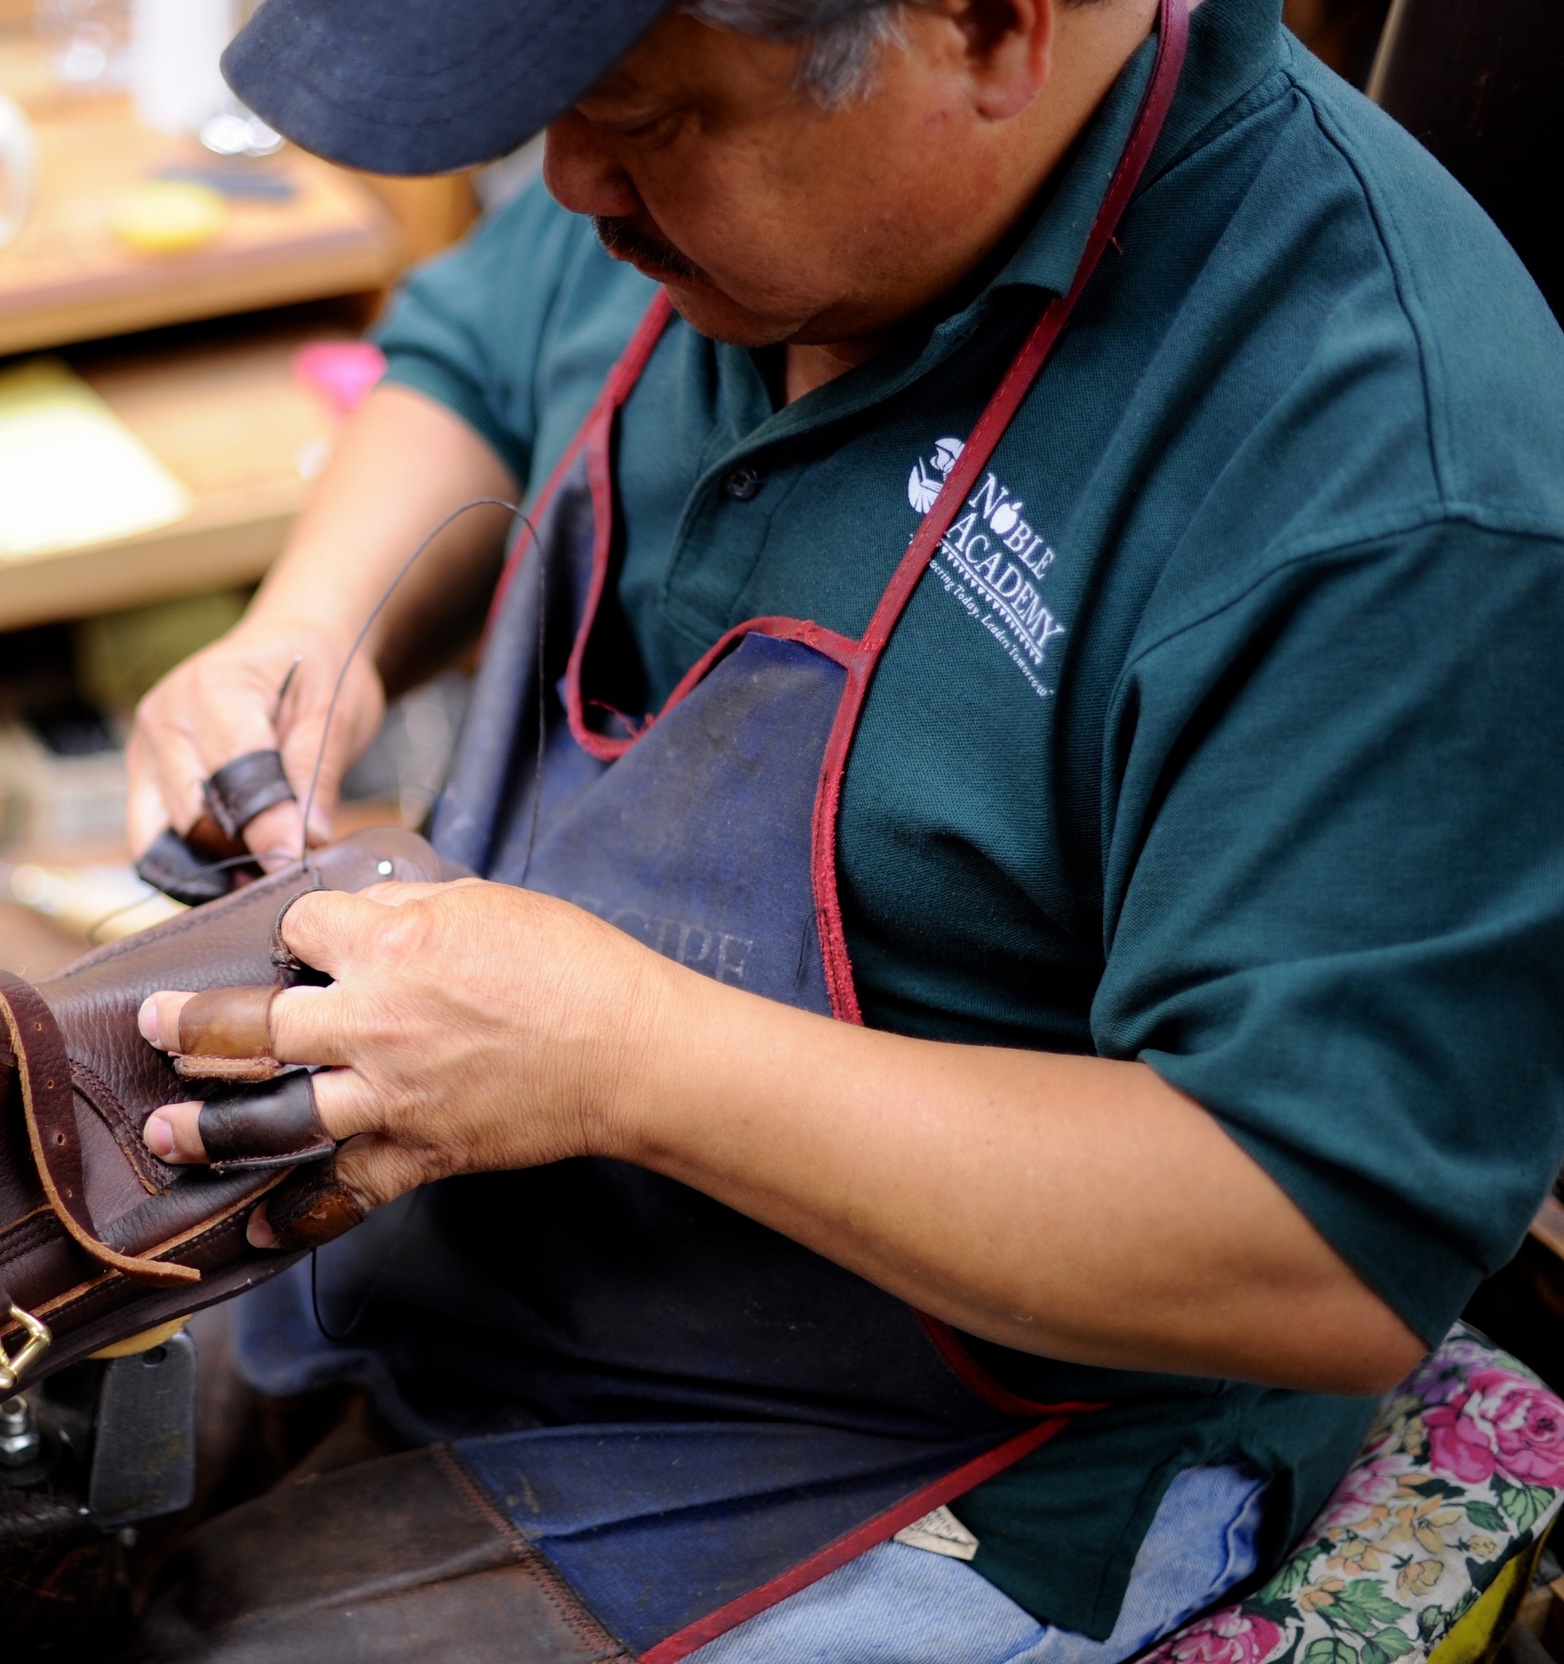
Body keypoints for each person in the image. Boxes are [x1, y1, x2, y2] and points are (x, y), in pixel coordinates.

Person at [104, 0, 1564, 1658]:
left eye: (644, 118)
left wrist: (619, 1052)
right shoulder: (708, 189)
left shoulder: (1392, 476)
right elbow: (473, 350)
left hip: (934, 1458)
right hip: (509, 1227)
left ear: (991, 30)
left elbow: (1316, 1242)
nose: (572, 179)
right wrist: (303, 646)